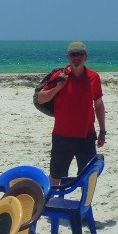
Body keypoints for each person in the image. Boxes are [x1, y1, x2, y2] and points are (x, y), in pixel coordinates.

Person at [36, 41, 106, 184]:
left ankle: (85, 206)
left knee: (88, 177)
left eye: (79, 54)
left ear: (85, 57)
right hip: (62, 136)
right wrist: (58, 87)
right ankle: (52, 203)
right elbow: (41, 98)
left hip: (86, 136)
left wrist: (103, 131)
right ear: (68, 57)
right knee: (56, 177)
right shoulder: (59, 76)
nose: (76, 57)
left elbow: (98, 104)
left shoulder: (93, 77)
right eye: (73, 54)